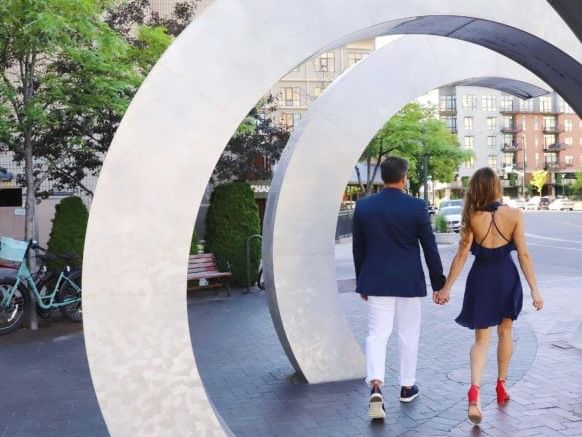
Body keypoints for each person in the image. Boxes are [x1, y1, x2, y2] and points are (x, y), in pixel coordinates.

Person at [434, 167, 544, 424]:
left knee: (481, 339)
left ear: (476, 188)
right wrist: (535, 290)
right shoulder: (515, 215)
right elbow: (523, 254)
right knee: (506, 333)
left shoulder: (472, 216)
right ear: (496, 187)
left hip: (481, 280)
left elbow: (462, 254)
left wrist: (446, 287)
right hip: (507, 278)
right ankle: (501, 385)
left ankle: (474, 392)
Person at [352, 156, 446, 420]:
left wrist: (362, 282)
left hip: (376, 280)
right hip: (408, 282)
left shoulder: (364, 207)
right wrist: (439, 283)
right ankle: (406, 386)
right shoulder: (416, 207)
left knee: (377, 334)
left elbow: (358, 248)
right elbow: (430, 247)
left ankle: (376, 386)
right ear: (404, 177)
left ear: (383, 177)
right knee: (408, 334)